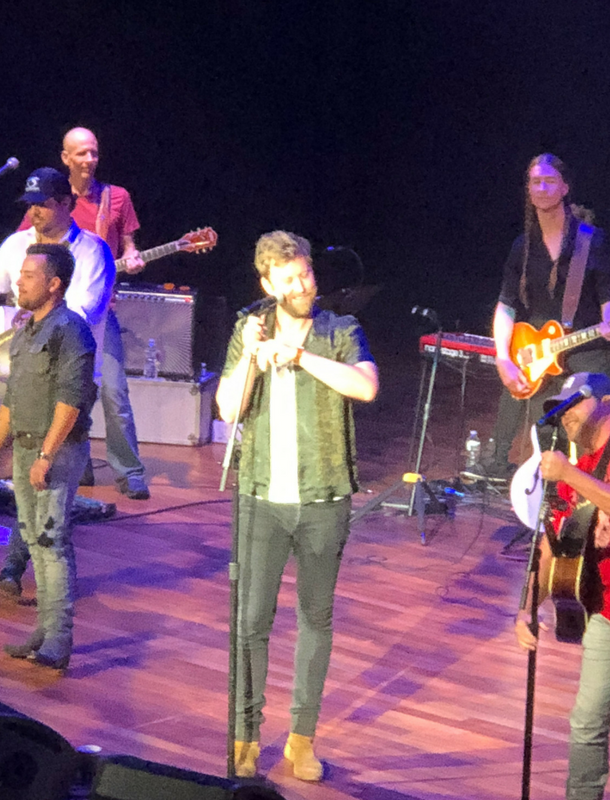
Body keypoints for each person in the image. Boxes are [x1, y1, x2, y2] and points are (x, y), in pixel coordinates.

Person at [216, 230, 378, 781]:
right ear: (268, 285)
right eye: (289, 279)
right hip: (260, 497)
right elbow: (227, 409)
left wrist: (301, 357)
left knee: (316, 619)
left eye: (305, 273)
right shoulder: (249, 328)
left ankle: (301, 738)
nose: (303, 285)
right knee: (250, 622)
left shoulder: (339, 330)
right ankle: (244, 735)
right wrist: (252, 357)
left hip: (323, 498)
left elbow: (365, 387)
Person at [0, 167, 115, 596]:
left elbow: (84, 311)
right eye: (29, 205)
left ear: (66, 203)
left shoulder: (93, 252)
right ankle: (17, 566)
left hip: (68, 374)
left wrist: (32, 314)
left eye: (43, 204)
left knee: (46, 475)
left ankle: (21, 571)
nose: (33, 213)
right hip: (24, 372)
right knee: (27, 473)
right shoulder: (17, 246)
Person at [0, 244, 97, 670]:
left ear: (54, 284)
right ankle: (44, 630)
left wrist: (46, 455)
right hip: (26, 448)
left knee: (51, 541)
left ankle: (58, 637)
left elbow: (70, 400)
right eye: (20, 274)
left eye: (29, 276)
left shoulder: (71, 330)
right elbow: (10, 400)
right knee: (33, 539)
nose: (19, 281)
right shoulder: (26, 331)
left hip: (57, 451)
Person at [17, 127, 149, 500]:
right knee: (63, 391)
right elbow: (24, 248)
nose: (89, 159)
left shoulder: (116, 197)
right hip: (53, 317)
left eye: (93, 152)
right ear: (65, 158)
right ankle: (78, 463)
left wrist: (132, 258)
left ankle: (130, 472)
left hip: (98, 316)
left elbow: (129, 247)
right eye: (81, 153)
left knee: (114, 392)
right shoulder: (47, 200)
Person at [474, 154, 610, 481]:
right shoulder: (522, 246)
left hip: (587, 350)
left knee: (584, 419)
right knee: (532, 411)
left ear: (565, 188)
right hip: (538, 349)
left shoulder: (592, 241)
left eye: (550, 181)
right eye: (536, 182)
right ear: (528, 189)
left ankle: (583, 484)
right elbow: (506, 305)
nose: (542, 188)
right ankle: (498, 464)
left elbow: (607, 297)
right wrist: (503, 359)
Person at [516, 371, 610, 800]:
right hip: (604, 613)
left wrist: (569, 474)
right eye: (561, 407)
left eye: (576, 403)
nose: (566, 414)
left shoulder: (576, 471)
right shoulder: (580, 467)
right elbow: (551, 546)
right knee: (587, 723)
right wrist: (527, 607)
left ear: (605, 403)